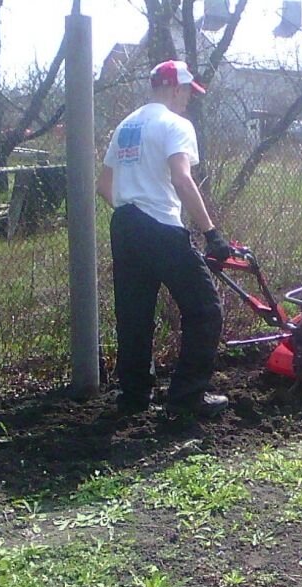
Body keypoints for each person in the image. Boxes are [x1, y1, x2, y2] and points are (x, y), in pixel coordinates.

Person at [97, 59, 234, 418]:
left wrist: (132, 210)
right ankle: (186, 398)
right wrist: (212, 234)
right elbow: (182, 178)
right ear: (175, 88)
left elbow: (104, 186)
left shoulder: (126, 126)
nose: (188, 98)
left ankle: (134, 396)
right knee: (205, 310)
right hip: (160, 227)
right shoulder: (176, 124)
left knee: (134, 314)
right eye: (187, 91)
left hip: (124, 226)